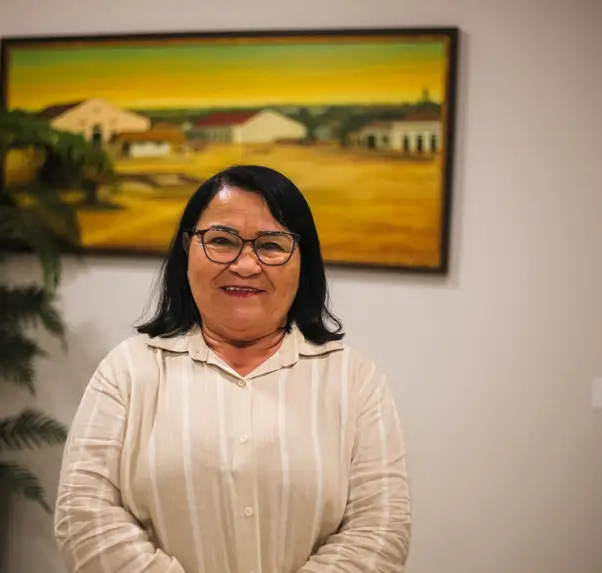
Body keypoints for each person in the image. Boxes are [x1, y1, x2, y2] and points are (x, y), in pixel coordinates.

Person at [54, 165, 411, 573]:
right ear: (187, 250)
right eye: (221, 241)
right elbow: (83, 518)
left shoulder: (355, 380)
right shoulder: (128, 371)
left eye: (271, 245)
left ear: (303, 261)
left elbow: (380, 532)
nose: (245, 265)